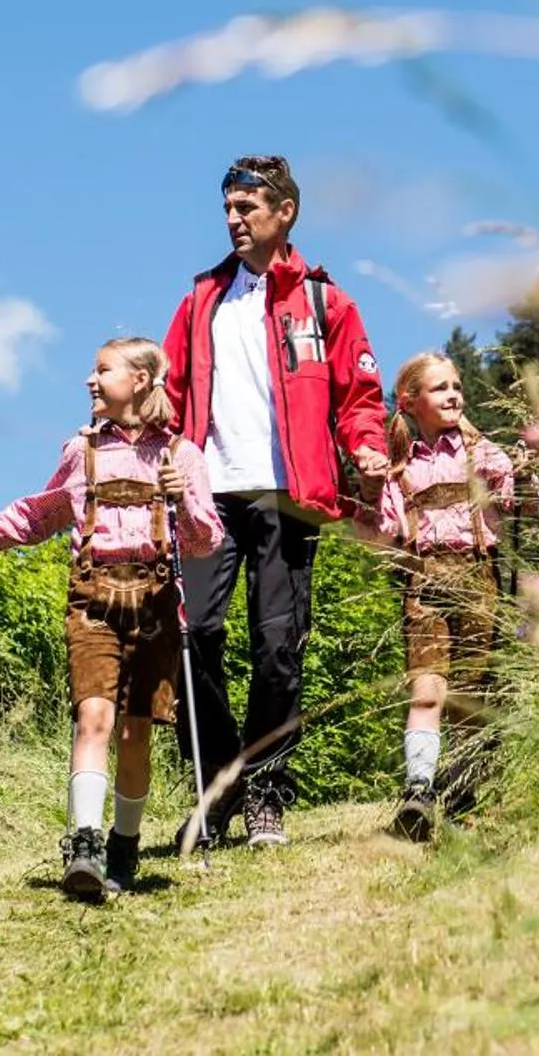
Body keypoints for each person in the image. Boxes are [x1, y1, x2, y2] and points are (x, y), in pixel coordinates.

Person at [0, 338, 220, 902]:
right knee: (94, 719)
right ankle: (83, 844)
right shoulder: (81, 452)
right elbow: (37, 516)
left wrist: (182, 502)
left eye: (102, 370)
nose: (90, 380)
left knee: (136, 735)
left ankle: (124, 845)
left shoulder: (180, 456)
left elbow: (206, 540)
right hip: (92, 601)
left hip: (157, 605)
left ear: (139, 380)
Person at [162, 154, 388, 848]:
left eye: (246, 209)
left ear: (284, 211)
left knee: (277, 646)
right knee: (192, 633)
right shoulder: (202, 298)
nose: (233, 220)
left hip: (291, 494)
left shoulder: (325, 301)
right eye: (227, 209)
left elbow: (358, 396)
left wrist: (369, 449)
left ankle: (266, 793)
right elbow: (168, 393)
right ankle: (222, 780)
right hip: (209, 495)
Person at [367, 352, 522, 842]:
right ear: (410, 401)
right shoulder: (399, 472)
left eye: (457, 386)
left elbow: (515, 500)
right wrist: (371, 489)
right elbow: (383, 534)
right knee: (427, 689)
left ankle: (464, 790)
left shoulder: (483, 454)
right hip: (425, 585)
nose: (454, 394)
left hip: (479, 579)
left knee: (469, 696)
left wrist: (521, 471)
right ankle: (418, 790)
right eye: (440, 388)